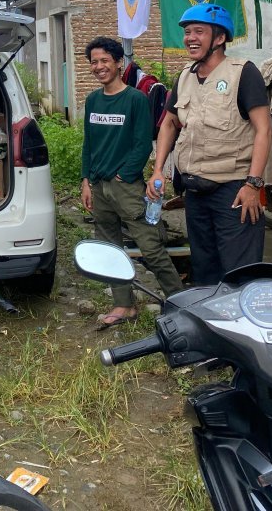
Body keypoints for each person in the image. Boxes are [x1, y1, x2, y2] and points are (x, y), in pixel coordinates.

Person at [149, 3, 272, 285]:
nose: (190, 38)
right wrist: (158, 170)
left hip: (234, 191)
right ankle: (211, 326)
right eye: (187, 32)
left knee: (241, 273)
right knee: (204, 269)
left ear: (219, 38)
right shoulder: (184, 76)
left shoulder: (243, 73)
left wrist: (253, 185)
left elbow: (264, 130)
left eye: (199, 32)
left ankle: (241, 327)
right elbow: (169, 123)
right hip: (195, 191)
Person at [80, 37, 184, 329]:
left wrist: (123, 175)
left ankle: (180, 303)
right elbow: (88, 144)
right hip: (98, 187)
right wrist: (86, 180)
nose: (99, 67)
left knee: (151, 248)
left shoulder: (135, 99)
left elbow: (142, 145)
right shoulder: (93, 100)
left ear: (117, 63)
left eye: (104, 61)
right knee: (109, 249)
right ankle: (124, 305)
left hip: (126, 188)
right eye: (94, 62)